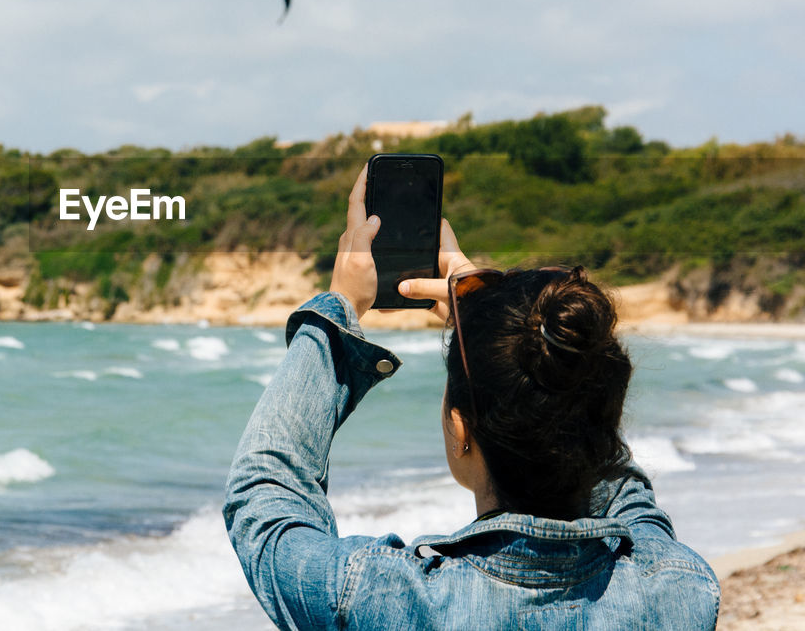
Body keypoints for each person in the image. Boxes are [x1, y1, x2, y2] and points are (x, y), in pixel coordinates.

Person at [224, 166, 719, 630]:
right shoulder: (679, 589)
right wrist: (496, 321)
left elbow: (267, 494)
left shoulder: (382, 597)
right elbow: (619, 481)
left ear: (462, 433)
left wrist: (341, 307)